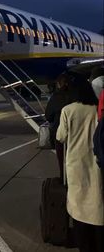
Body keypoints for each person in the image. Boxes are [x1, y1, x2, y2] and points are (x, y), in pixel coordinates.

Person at [56, 79, 104, 252]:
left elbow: (61, 137)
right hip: (97, 162)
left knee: (78, 206)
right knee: (97, 201)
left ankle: (84, 244)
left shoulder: (68, 110)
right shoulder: (97, 108)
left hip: (76, 164)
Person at [45, 72, 77, 180]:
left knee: (62, 160)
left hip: (59, 133)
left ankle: (64, 179)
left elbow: (48, 116)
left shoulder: (55, 97)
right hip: (75, 134)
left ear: (59, 84)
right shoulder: (76, 96)